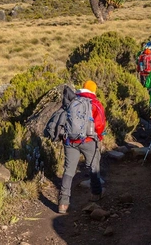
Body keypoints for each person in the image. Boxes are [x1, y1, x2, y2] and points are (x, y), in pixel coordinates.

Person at [58, 80, 106, 214]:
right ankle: (96, 194)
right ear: (93, 91)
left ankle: (63, 203)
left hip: (70, 141)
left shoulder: (72, 101)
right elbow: (100, 124)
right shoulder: (95, 103)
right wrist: (99, 137)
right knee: (94, 167)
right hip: (88, 140)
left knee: (68, 171)